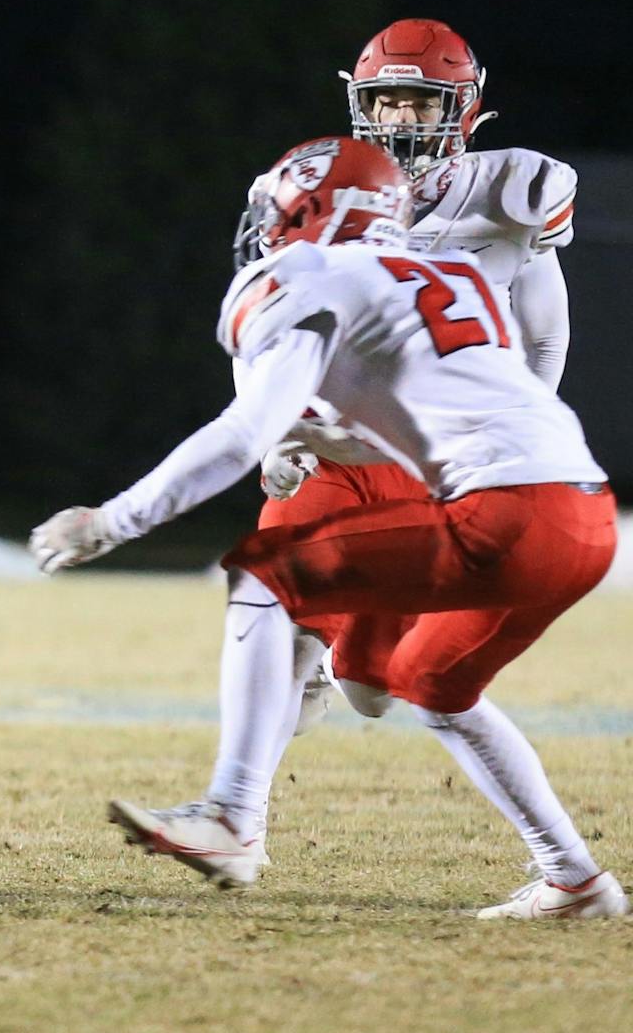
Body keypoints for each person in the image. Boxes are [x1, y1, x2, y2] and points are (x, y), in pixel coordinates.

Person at [33, 136, 622, 919]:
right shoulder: (453, 274)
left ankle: (232, 816)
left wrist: (113, 521)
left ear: (311, 211)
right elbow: (439, 405)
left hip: (503, 513)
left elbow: (244, 434)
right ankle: (577, 880)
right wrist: (323, 439)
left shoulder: (310, 271)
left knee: (264, 570)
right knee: (437, 689)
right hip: (586, 515)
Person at [251, 20, 578, 736]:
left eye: (421, 103)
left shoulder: (515, 191)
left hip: (443, 452)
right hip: (342, 440)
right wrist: (278, 430)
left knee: (374, 690)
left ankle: (346, 668)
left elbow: (546, 333)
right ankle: (237, 823)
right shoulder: (321, 189)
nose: (401, 118)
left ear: (462, 107)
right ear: (360, 104)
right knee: (275, 633)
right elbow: (270, 333)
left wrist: (515, 443)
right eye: (387, 101)